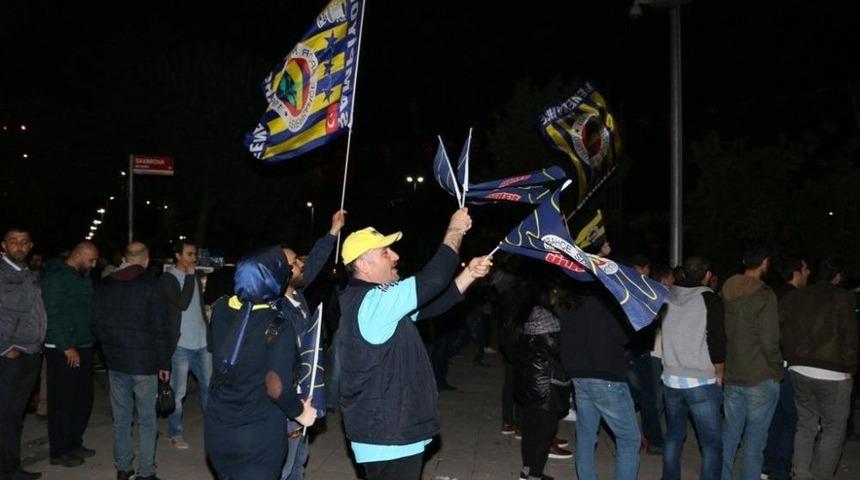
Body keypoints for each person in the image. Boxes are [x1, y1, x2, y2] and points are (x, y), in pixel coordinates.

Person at [338, 208, 492, 480]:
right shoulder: (375, 302)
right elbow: (433, 280)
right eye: (386, 252)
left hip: (388, 432)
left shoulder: (372, 302)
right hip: (389, 435)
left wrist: (468, 274)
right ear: (363, 264)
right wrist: (455, 230)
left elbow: (433, 305)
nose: (396, 256)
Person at [205, 246, 317, 480]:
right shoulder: (278, 325)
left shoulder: (221, 310)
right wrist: (301, 413)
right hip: (258, 436)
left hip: (219, 431)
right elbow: (276, 388)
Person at [92, 242, 172, 480]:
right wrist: (164, 363)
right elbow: (160, 329)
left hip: (116, 362)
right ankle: (146, 472)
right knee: (147, 421)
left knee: (121, 419)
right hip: (144, 364)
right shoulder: (150, 286)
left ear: (124, 258)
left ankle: (123, 469)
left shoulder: (104, 285)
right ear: (146, 261)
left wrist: (108, 348)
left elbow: (95, 323)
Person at [278, 209, 345, 480]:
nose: (302, 264)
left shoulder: (298, 298)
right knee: (284, 467)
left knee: (298, 464)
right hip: (288, 406)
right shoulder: (275, 307)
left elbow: (315, 263)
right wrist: (289, 414)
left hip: (304, 400)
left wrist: (332, 232)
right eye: (295, 262)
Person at [780, 256, 857, 480]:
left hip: (799, 369)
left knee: (805, 425)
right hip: (833, 371)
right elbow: (849, 335)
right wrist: (851, 367)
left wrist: (791, 356)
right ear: (838, 276)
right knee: (833, 430)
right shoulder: (842, 297)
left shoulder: (796, 295)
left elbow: (780, 326)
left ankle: (800, 474)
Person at [559, 281, 640, 480]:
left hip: (580, 375)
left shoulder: (570, 303)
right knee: (629, 439)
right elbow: (622, 338)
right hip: (607, 376)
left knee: (586, 435)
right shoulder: (608, 305)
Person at [660, 257, 726, 480]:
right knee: (711, 444)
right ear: (707, 275)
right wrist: (720, 371)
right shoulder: (710, 299)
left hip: (670, 379)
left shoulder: (668, 295)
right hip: (700, 381)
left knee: (673, 436)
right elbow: (716, 339)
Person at [721, 243, 782, 480]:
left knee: (729, 437)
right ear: (765, 262)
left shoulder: (726, 288)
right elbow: (769, 340)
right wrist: (777, 370)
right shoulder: (765, 295)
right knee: (754, 443)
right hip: (759, 375)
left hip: (733, 373)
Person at [41, 241, 99, 467]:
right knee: (62, 402)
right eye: (92, 260)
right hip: (64, 349)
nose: (94, 265)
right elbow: (52, 314)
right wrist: (66, 346)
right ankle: (59, 450)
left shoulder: (81, 276)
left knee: (82, 400)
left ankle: (74, 443)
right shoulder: (57, 277)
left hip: (84, 345)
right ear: (80, 255)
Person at [0, 228, 46, 480]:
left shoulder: (28, 274)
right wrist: (6, 348)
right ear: (4, 245)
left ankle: (11, 467)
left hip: (30, 352)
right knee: (6, 416)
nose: (19, 246)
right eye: (13, 242)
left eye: (24, 242)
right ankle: (7, 470)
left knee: (15, 417)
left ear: (30, 246)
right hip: (10, 356)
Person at [514, 280, 571, 480]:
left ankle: (528, 470)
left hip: (529, 383)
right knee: (545, 432)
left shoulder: (526, 316)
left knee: (530, 430)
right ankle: (535, 476)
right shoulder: (546, 319)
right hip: (546, 385)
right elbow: (558, 351)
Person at [158, 240, 211, 450]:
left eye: (195, 254)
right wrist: (189, 276)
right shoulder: (167, 279)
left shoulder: (196, 277)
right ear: (178, 256)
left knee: (209, 387)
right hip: (181, 345)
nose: (194, 258)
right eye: (189, 254)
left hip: (202, 342)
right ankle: (175, 432)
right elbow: (182, 303)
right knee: (178, 392)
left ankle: (213, 428)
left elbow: (197, 307)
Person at [762, 255, 810, 480]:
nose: (808, 273)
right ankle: (780, 470)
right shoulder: (799, 299)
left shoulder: (772, 294)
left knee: (774, 416)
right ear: (796, 274)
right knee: (791, 418)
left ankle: (767, 465)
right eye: (805, 269)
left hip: (769, 364)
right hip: (789, 365)